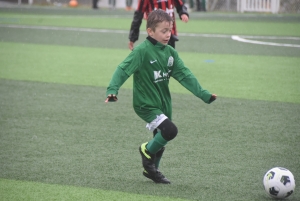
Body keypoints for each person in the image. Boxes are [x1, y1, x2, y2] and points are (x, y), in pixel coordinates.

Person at [105, 9, 217, 184]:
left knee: (161, 138)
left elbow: (185, 75)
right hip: (145, 104)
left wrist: (204, 94)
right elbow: (122, 69)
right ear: (150, 31)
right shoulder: (141, 51)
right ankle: (146, 151)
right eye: (163, 31)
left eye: (170, 30)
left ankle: (152, 171)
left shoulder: (171, 53)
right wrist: (113, 89)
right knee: (170, 131)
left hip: (163, 103)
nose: (168, 35)